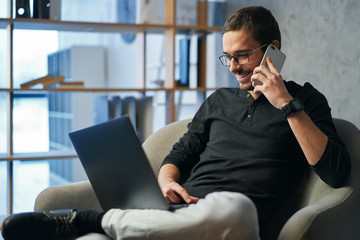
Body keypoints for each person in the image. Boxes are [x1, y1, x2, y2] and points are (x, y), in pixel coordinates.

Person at [1, 6, 351, 240]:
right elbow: (179, 154)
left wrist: (287, 104)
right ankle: (101, 227)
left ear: (272, 49)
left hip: (234, 225)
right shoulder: (218, 101)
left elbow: (337, 173)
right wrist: (167, 181)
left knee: (236, 207)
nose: (232, 67)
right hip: (178, 215)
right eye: (227, 57)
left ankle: (92, 219)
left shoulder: (305, 101)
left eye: (242, 55)